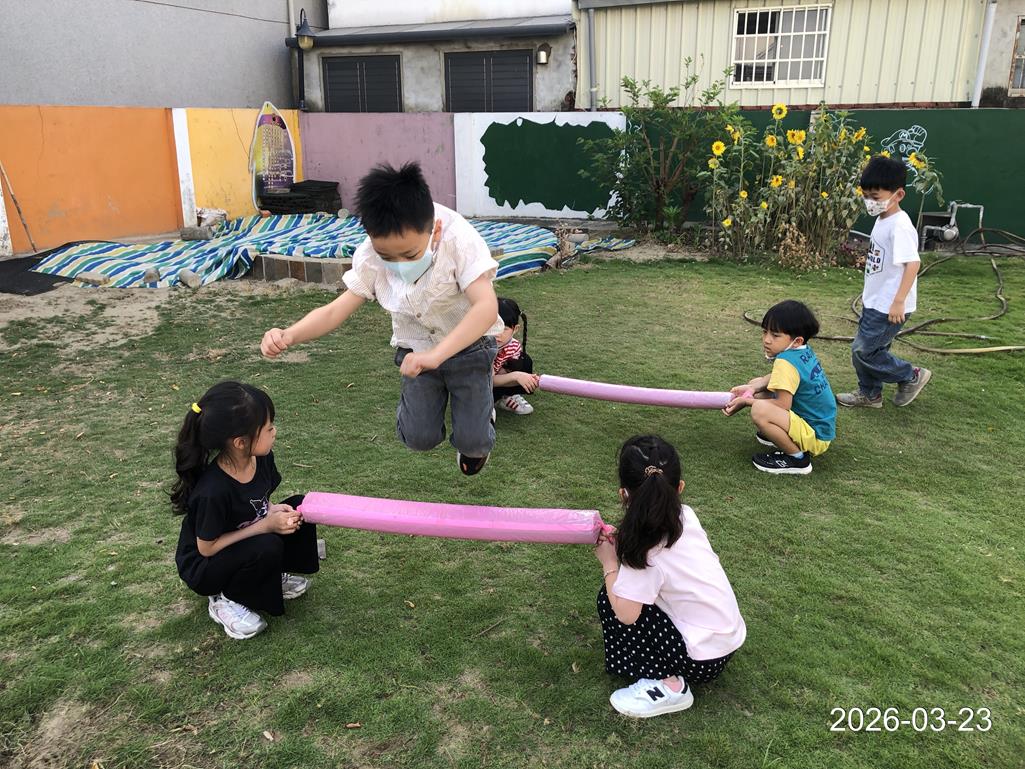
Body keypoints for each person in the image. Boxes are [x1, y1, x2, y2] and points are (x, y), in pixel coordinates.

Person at [261, 162, 504, 476]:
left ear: (435, 231)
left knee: (474, 442)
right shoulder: (371, 253)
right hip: (416, 351)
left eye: (410, 254)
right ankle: (445, 408)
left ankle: (479, 420)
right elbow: (336, 310)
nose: (399, 264)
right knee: (418, 438)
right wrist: (289, 334)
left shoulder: (460, 240)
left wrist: (437, 356)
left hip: (469, 346)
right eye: (388, 257)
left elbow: (486, 307)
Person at [594, 435, 746, 718]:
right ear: (680, 488)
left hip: (701, 660)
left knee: (611, 598)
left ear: (623, 494)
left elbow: (625, 614)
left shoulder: (643, 548)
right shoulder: (685, 516)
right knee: (628, 593)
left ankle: (669, 685)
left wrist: (609, 563)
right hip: (725, 642)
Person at [171, 381, 319, 640]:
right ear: (240, 442)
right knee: (266, 545)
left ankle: (272, 576)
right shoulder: (213, 491)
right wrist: (265, 525)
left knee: (299, 506)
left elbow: (258, 498)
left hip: (240, 540)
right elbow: (206, 548)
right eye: (268, 428)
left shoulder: (261, 458)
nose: (274, 432)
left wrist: (272, 509)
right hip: (205, 565)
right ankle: (226, 599)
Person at [836, 155, 932, 408]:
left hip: (890, 306)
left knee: (863, 352)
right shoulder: (883, 220)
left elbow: (913, 264)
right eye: (866, 196)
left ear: (898, 194)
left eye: (875, 197)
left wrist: (898, 301)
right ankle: (870, 394)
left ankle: (910, 375)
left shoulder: (900, 225)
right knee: (871, 351)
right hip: (875, 301)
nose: (870, 202)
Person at [723, 300, 836, 475]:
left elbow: (783, 405)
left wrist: (745, 401)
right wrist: (753, 388)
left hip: (815, 435)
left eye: (775, 335)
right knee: (757, 384)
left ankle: (797, 459)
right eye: (765, 332)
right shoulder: (802, 351)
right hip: (821, 428)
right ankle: (778, 434)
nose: (766, 340)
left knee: (760, 410)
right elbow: (782, 379)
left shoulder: (785, 362)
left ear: (797, 341)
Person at [492, 297, 539, 415]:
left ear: (515, 329)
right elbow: (485, 380)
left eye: (504, 329)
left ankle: (505, 396)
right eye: (493, 327)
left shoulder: (512, 345)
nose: (497, 334)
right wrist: (516, 376)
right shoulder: (482, 347)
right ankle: (483, 405)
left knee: (524, 361)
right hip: (475, 384)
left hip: (490, 379)